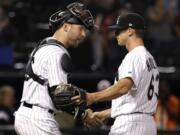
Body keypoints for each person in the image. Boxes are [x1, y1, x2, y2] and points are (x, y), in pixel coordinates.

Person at [14, 2, 97, 135]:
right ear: (65, 27)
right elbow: (60, 96)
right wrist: (83, 114)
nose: (83, 35)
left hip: (31, 116)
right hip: (38, 119)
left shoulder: (45, 43)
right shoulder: (56, 52)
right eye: (81, 29)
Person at [73, 13, 160, 135]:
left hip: (130, 125)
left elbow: (124, 87)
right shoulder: (149, 58)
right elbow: (136, 101)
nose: (115, 34)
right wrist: (107, 113)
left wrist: (91, 97)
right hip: (147, 124)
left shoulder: (134, 56)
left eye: (119, 30)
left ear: (130, 31)